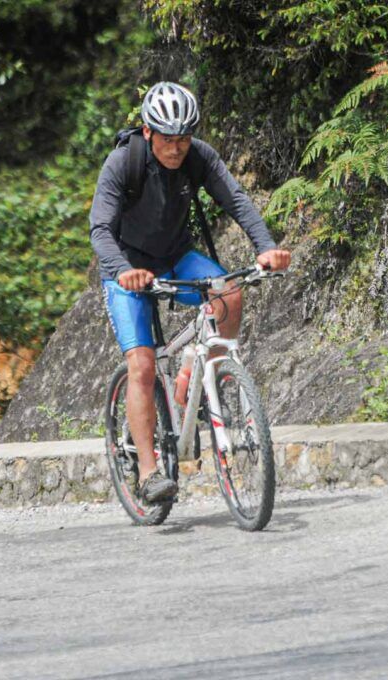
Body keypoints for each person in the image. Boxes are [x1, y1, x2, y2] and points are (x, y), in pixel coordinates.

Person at [89, 82, 291, 504]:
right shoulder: (122, 163)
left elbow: (236, 200)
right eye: (168, 140)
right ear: (148, 132)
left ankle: (202, 379)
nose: (177, 148)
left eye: (184, 139)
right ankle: (148, 474)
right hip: (127, 268)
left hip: (176, 256)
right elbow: (100, 231)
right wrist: (125, 271)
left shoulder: (199, 157)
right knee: (142, 366)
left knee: (228, 293)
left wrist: (266, 247)